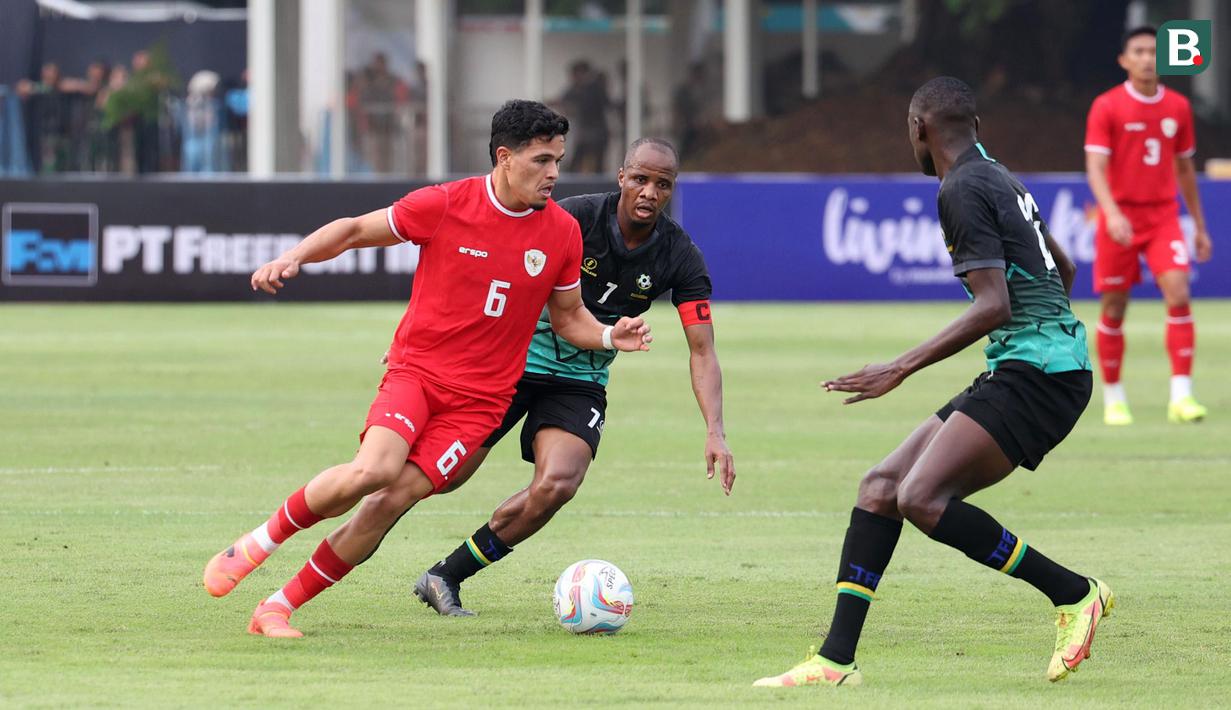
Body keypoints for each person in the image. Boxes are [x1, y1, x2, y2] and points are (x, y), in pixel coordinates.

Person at [202, 100, 653, 638]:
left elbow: (569, 318)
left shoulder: (560, 232)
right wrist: (294, 257)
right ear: (505, 158)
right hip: (418, 373)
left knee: (389, 501)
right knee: (372, 471)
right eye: (541, 160)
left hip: (480, 406)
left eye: (558, 159)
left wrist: (608, 335)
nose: (554, 173)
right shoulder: (445, 204)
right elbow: (351, 231)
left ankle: (276, 608)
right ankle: (255, 544)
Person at [754, 77, 1111, 688]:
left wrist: (900, 367)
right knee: (881, 486)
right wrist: (1042, 336)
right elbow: (1066, 267)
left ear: (919, 128)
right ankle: (836, 661)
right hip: (1036, 363)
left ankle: (1075, 593)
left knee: (921, 498)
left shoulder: (962, 188)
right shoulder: (999, 175)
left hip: (1040, 375)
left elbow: (994, 304)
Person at [344, 137, 734, 616]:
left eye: (662, 184)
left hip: (579, 380)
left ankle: (445, 576)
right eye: (640, 179)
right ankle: (349, 539)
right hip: (505, 365)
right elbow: (483, 264)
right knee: (442, 477)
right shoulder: (571, 219)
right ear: (621, 177)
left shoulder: (679, 254)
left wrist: (715, 430)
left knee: (558, 484)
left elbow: (703, 350)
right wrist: (422, 338)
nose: (649, 192)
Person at [1084, 25, 1212, 426]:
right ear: (1124, 60)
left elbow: (1185, 168)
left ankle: (1182, 397)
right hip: (1119, 218)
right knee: (1115, 307)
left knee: (1178, 292)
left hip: (1162, 216)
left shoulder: (1177, 106)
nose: (1146, 58)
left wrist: (1199, 226)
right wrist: (1112, 212)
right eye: (1138, 51)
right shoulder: (1106, 106)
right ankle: (1115, 398)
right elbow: (1096, 167)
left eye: (1153, 51)